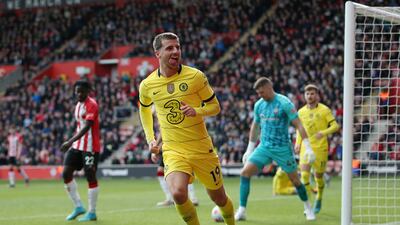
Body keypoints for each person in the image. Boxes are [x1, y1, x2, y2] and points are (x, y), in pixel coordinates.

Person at [139, 32, 235, 225]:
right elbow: (144, 110)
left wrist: (196, 110)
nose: (176, 51)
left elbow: (215, 107)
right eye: (169, 48)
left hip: (201, 148)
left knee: (219, 198)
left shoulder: (195, 76)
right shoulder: (148, 85)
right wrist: (150, 138)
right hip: (174, 150)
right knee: (177, 193)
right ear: (157, 53)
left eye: (178, 47)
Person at [235, 77, 316, 221]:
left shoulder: (284, 103)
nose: (260, 95)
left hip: (282, 148)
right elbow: (255, 126)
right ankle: (242, 210)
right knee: (245, 173)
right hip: (264, 147)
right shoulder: (259, 105)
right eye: (258, 93)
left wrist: (308, 147)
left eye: (261, 92)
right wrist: (249, 149)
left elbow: (299, 125)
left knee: (296, 181)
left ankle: (308, 207)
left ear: (268, 88)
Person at [295, 84, 339, 214]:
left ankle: (319, 198)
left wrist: (323, 133)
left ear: (317, 95)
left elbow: (335, 126)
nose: (310, 96)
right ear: (305, 96)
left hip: (320, 148)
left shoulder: (324, 110)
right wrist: (298, 143)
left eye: (312, 93)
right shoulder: (301, 112)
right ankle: (308, 204)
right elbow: (299, 129)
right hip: (305, 147)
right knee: (304, 175)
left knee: (318, 177)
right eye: (307, 94)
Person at [60, 80, 100, 222]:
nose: (78, 94)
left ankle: (92, 212)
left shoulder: (92, 105)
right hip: (77, 146)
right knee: (66, 173)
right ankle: (78, 207)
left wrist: (69, 141)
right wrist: (72, 141)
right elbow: (78, 125)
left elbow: (87, 127)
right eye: (77, 91)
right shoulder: (78, 105)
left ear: (88, 91)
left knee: (90, 176)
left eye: (81, 91)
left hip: (90, 147)